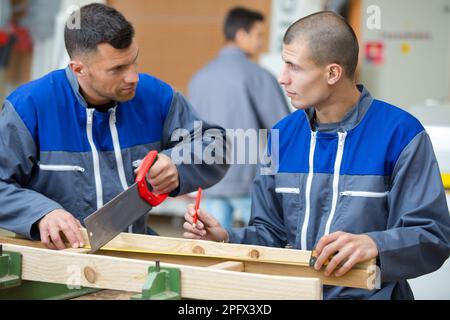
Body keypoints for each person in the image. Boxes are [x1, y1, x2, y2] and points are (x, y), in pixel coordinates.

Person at [183, 11, 450, 299]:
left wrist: (376, 244)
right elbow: (269, 234)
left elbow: (434, 236)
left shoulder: (401, 135)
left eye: (294, 67)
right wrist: (226, 238)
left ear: (333, 73)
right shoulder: (281, 136)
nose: (282, 79)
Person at [0, 3, 229, 250]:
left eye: (134, 61)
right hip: (54, 265)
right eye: (117, 69)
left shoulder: (156, 97)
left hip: (131, 256)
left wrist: (177, 163)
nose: (133, 77)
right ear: (79, 69)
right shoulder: (29, 107)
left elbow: (216, 145)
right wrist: (41, 213)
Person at [188, 7, 290, 229]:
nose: (260, 43)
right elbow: (283, 128)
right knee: (260, 243)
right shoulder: (258, 76)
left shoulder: (199, 78)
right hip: (249, 181)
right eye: (258, 35)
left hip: (210, 178)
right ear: (241, 34)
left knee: (214, 245)